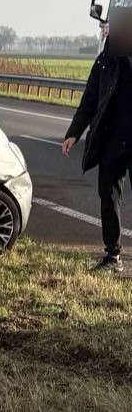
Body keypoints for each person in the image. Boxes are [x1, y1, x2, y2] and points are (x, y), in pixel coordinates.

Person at [62, 46, 132, 272]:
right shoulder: (106, 58)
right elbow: (90, 98)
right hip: (113, 139)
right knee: (108, 196)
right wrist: (74, 132)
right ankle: (113, 256)